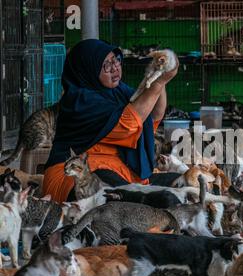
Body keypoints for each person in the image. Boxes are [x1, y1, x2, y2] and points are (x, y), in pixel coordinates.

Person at [43, 39, 178, 203]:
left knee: (187, 183)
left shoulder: (118, 91)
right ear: (88, 70)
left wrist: (160, 72)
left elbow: (155, 115)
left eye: (116, 60)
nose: (115, 68)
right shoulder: (79, 100)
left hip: (120, 170)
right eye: (106, 65)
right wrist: (159, 83)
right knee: (134, 200)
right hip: (81, 172)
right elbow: (127, 124)